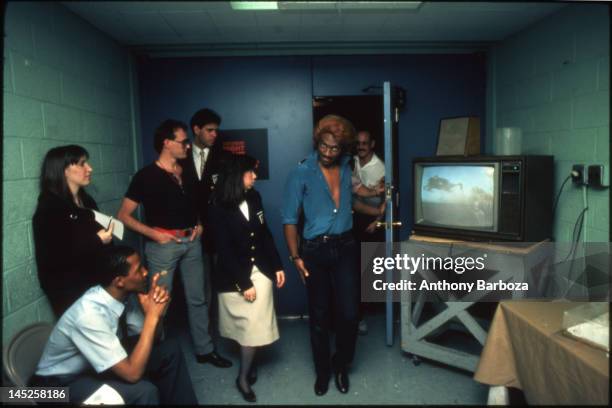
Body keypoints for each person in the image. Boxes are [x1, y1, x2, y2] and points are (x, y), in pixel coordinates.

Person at [117, 119, 231, 368]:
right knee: (160, 302)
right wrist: (154, 234)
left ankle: (205, 350)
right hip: (162, 246)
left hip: (191, 242)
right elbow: (123, 216)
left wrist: (199, 225)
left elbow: (196, 205)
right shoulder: (145, 176)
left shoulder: (186, 172)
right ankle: (154, 354)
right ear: (167, 143)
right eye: (183, 141)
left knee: (197, 298)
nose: (188, 146)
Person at [282, 115, 381, 396]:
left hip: (347, 246)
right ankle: (322, 371)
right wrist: (295, 258)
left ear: (343, 148)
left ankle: (341, 365)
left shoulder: (348, 165)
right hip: (314, 251)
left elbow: (354, 198)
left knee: (349, 315)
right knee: (319, 316)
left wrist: (376, 200)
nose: (327, 153)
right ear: (318, 142)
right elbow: (289, 219)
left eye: (334, 148)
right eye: (323, 146)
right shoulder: (301, 171)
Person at [30, 245, 198, 405]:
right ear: (119, 281)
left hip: (93, 367)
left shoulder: (121, 295)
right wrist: (151, 318)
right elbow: (132, 374)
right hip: (55, 388)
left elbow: (152, 340)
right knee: (143, 391)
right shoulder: (89, 315)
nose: (146, 273)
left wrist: (153, 315)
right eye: (139, 270)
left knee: (169, 349)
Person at [208, 154, 286, 403]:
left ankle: (244, 374)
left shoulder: (254, 196)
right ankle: (246, 371)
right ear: (236, 176)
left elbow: (264, 234)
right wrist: (244, 283)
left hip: (259, 268)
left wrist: (277, 266)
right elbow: (223, 249)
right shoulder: (217, 205)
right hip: (234, 273)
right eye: (250, 173)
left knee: (255, 325)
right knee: (245, 328)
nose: (255, 177)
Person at [33, 145, 114, 317]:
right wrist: (97, 240)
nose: (89, 168)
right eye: (82, 164)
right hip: (69, 289)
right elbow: (56, 257)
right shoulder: (49, 207)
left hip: (94, 281)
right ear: (63, 170)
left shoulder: (86, 200)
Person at [178, 108, 231, 338]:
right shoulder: (181, 156)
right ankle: (204, 333)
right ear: (196, 130)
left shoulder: (224, 157)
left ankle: (223, 330)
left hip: (218, 230)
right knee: (199, 287)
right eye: (209, 130)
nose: (214, 135)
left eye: (216, 131)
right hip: (192, 232)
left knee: (222, 281)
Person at [352, 130, 386, 335]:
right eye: (358, 143)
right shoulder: (352, 161)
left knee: (367, 270)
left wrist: (378, 221)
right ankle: (357, 315)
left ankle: (363, 315)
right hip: (353, 218)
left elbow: (386, 198)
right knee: (353, 269)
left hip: (371, 221)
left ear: (372, 144)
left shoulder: (381, 167)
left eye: (365, 143)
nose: (361, 146)